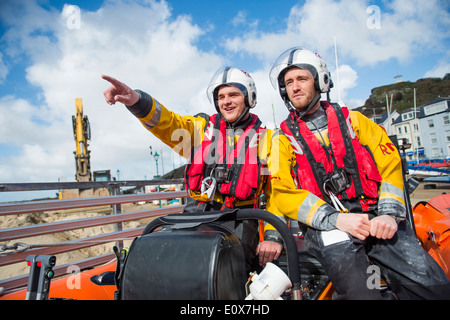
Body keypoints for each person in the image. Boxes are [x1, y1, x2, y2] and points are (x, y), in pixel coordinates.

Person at [266, 46, 450, 299]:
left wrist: (388, 215)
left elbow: (390, 165)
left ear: (320, 81)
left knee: (436, 288)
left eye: (302, 79)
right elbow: (282, 191)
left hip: (376, 218)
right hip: (328, 229)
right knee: (363, 294)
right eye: (288, 82)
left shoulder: (355, 122)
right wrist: (336, 219)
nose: (295, 87)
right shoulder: (281, 140)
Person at [102, 67, 282, 272]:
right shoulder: (200, 129)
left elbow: (276, 192)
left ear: (249, 97)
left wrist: (272, 236)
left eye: (234, 95)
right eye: (221, 96)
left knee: (228, 275)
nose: (226, 101)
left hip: (241, 221)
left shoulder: (267, 139)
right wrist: (136, 101)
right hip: (196, 216)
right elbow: (168, 123)